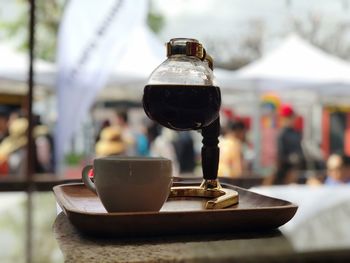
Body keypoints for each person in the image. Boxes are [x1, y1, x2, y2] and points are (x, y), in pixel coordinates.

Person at [274, 104, 304, 184]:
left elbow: (300, 151)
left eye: (291, 117)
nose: (291, 119)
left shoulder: (296, 133)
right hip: (285, 172)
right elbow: (281, 156)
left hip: (297, 170)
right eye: (288, 117)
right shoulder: (282, 134)